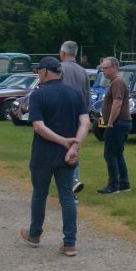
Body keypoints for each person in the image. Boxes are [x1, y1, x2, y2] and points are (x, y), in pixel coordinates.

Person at [20, 56, 89, 257]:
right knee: (67, 197)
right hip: (67, 156)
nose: (38, 75)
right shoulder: (74, 94)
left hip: (43, 154)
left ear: (44, 72)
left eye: (38, 71)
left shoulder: (39, 96)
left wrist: (64, 142)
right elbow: (85, 123)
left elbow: (39, 127)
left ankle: (35, 235)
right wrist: (74, 146)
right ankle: (69, 243)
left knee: (39, 194)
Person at [97, 56, 132, 194]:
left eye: (105, 68)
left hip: (118, 124)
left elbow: (117, 103)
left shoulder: (117, 82)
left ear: (114, 68)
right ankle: (124, 184)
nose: (103, 71)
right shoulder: (116, 82)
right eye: (102, 68)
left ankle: (113, 186)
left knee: (110, 154)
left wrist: (110, 123)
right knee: (118, 154)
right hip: (121, 123)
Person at [59, 41, 90, 194]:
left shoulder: (59, 69)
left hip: (61, 117)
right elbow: (87, 98)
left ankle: (70, 184)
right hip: (79, 118)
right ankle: (73, 184)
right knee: (74, 149)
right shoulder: (83, 72)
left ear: (63, 53)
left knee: (58, 149)